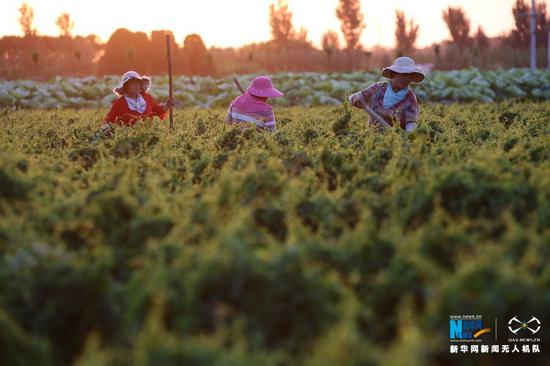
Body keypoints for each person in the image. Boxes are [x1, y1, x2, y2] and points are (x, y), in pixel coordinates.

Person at [348, 56, 425, 132]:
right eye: (404, 75)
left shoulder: (410, 97)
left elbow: (411, 122)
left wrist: (408, 134)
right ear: (393, 74)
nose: (407, 79)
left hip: (394, 140)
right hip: (371, 136)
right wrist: (354, 99)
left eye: (410, 76)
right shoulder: (377, 88)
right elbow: (353, 97)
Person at [101, 71, 172, 133]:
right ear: (126, 86)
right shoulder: (120, 102)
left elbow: (157, 110)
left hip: (147, 136)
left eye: (138, 83)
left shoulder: (146, 97)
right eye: (132, 84)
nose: (136, 86)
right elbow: (109, 120)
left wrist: (167, 105)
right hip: (128, 138)